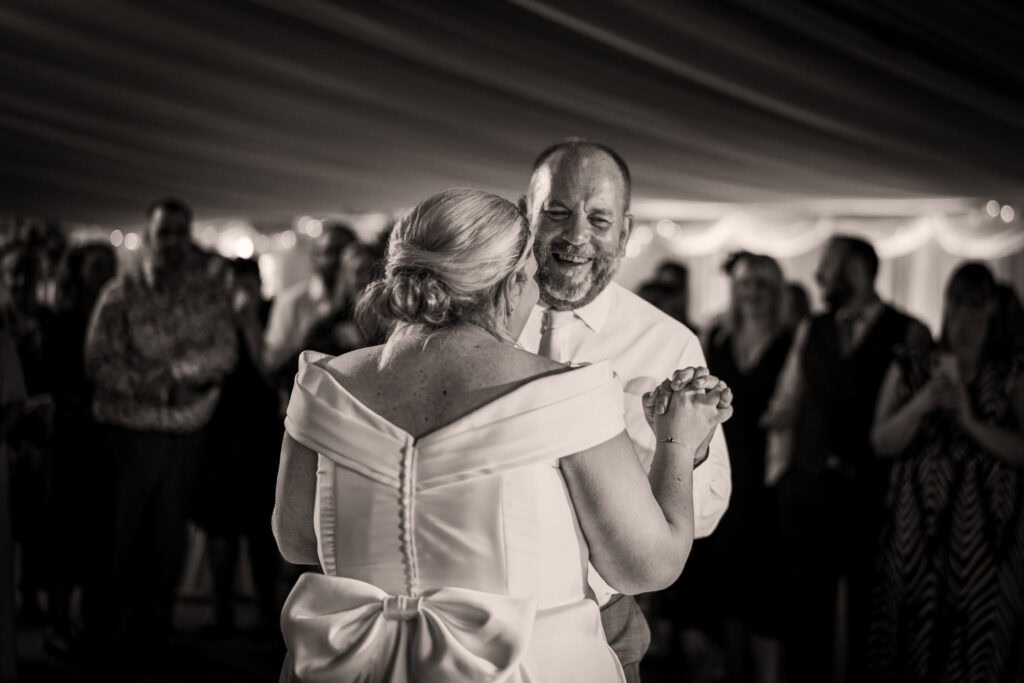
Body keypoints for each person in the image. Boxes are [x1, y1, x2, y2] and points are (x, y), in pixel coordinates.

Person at [272, 188, 733, 682]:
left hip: (354, 666)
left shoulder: (322, 384)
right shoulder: (567, 392)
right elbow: (647, 566)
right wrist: (677, 442)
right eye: (532, 278)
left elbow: (298, 539)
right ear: (512, 283)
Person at [518, 140, 731, 681]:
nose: (576, 237)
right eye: (558, 213)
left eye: (599, 219)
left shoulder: (668, 344)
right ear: (526, 214)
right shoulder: (478, 319)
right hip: (477, 611)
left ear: (625, 233)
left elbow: (704, 517)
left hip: (601, 616)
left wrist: (691, 445)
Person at [762, 235, 931, 683]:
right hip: (807, 488)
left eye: (827, 266)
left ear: (856, 270)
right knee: (805, 612)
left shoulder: (909, 331)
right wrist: (779, 474)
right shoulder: (812, 328)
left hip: (873, 495)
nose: (818, 277)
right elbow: (789, 398)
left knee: (870, 614)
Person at [84, 198, 237, 660]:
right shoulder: (121, 293)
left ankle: (154, 632)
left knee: (169, 538)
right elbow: (97, 363)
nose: (172, 242)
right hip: (130, 433)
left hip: (187, 434)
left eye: (179, 233)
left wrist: (176, 375)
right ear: (148, 237)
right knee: (119, 536)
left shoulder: (207, 295)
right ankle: (107, 634)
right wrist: (156, 389)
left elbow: (224, 352)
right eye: (163, 232)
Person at [867, 263, 1024, 682]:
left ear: (992, 309)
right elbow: (881, 441)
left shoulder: (1010, 373)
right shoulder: (912, 364)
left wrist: (971, 422)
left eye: (976, 308)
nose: (965, 319)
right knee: (911, 645)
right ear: (944, 305)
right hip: (916, 533)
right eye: (957, 305)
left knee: (978, 648)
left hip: (986, 542)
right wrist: (923, 403)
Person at [689, 251, 791, 683]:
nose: (752, 292)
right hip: (726, 469)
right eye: (746, 283)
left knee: (768, 589)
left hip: (770, 479)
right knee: (726, 581)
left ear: (776, 292)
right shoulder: (717, 339)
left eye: (762, 284)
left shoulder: (792, 343)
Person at [191, 257, 282, 635]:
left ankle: (266, 611)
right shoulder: (208, 321)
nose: (241, 292)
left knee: (262, 525)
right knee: (219, 524)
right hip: (218, 434)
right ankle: (221, 609)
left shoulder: (271, 314)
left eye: (248, 283)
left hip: (262, 433)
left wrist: (249, 325)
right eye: (234, 284)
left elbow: (270, 371)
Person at [41, 242, 117, 656]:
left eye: (109, 266)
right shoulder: (63, 321)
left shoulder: (116, 318)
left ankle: (90, 623)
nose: (104, 273)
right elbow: (57, 382)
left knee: (96, 537)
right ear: (79, 271)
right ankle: (56, 623)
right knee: (62, 533)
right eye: (96, 266)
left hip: (106, 439)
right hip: (71, 438)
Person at [263, 221, 358, 384]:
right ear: (314, 258)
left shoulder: (364, 303)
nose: (338, 259)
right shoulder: (292, 302)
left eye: (345, 251)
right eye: (330, 252)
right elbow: (271, 362)